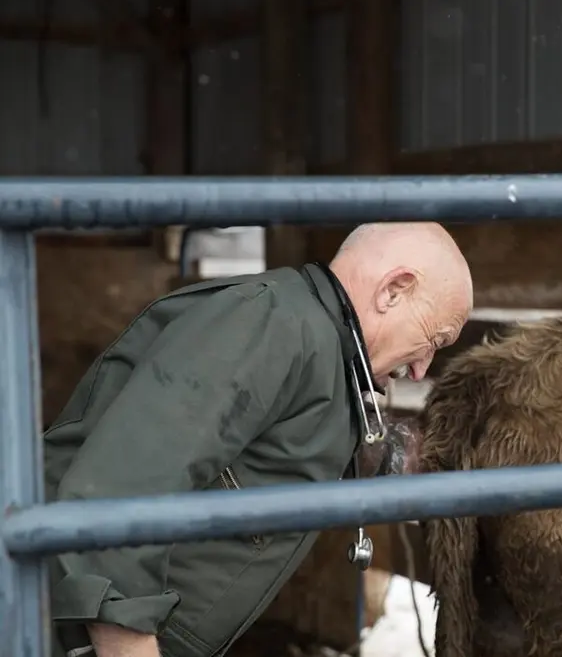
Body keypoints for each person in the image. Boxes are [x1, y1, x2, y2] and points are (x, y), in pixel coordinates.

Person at [43, 221, 474, 657]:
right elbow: (125, 486)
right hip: (56, 633)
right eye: (435, 339)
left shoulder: (323, 349)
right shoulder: (271, 323)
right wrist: (129, 646)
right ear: (393, 290)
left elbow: (296, 449)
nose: (422, 369)